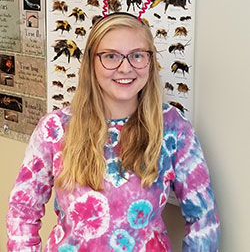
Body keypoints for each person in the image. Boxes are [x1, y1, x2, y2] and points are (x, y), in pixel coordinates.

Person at [6, 13, 220, 251]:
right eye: (111, 56)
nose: (125, 67)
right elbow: (22, 211)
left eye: (137, 55)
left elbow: (204, 220)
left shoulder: (173, 129)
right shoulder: (54, 129)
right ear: (91, 63)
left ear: (149, 61)